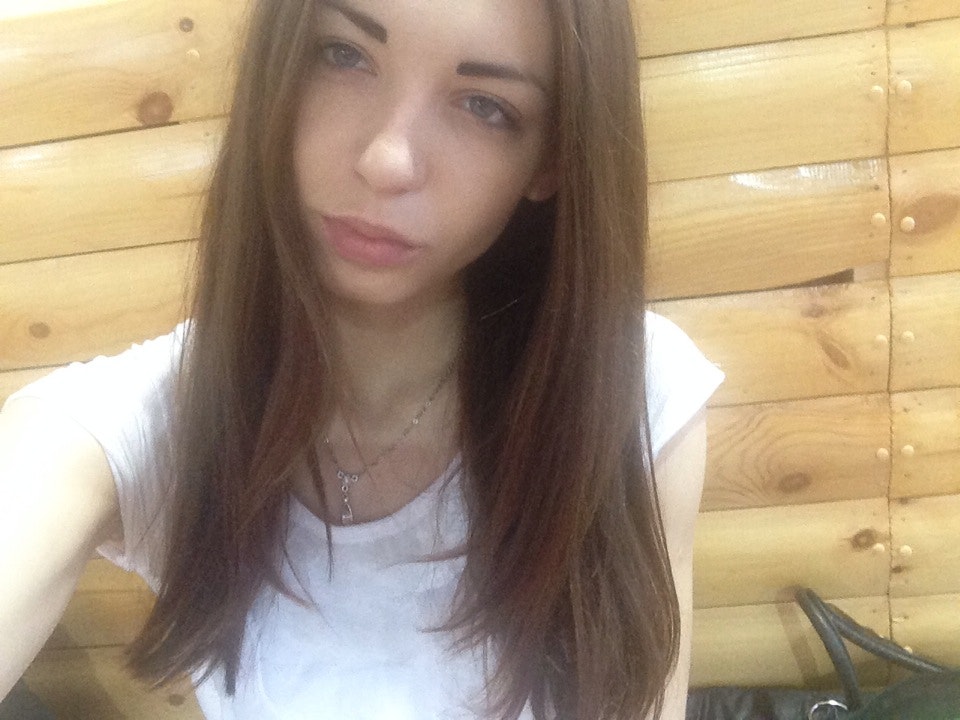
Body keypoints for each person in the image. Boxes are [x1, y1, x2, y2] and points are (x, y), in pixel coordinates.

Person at [0, 0, 724, 718]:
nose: (386, 161)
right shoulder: (138, 427)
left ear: (550, 160)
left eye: (484, 105)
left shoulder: (634, 396)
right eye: (344, 56)